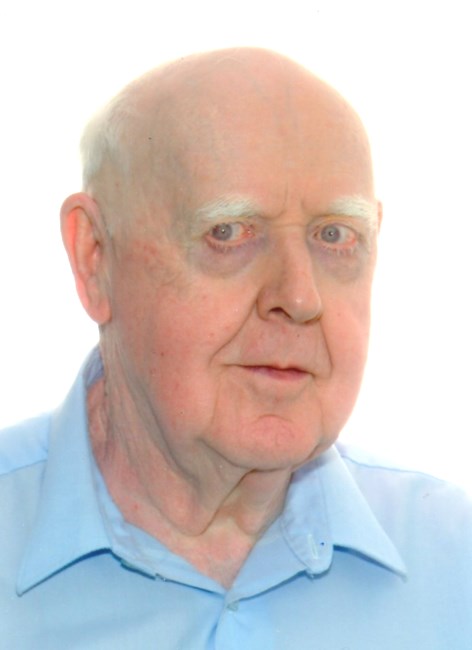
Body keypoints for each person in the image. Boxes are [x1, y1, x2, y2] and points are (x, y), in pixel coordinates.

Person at [1, 47, 471, 649]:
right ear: (95, 257)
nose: (298, 297)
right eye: (228, 233)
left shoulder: (455, 566)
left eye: (335, 236)